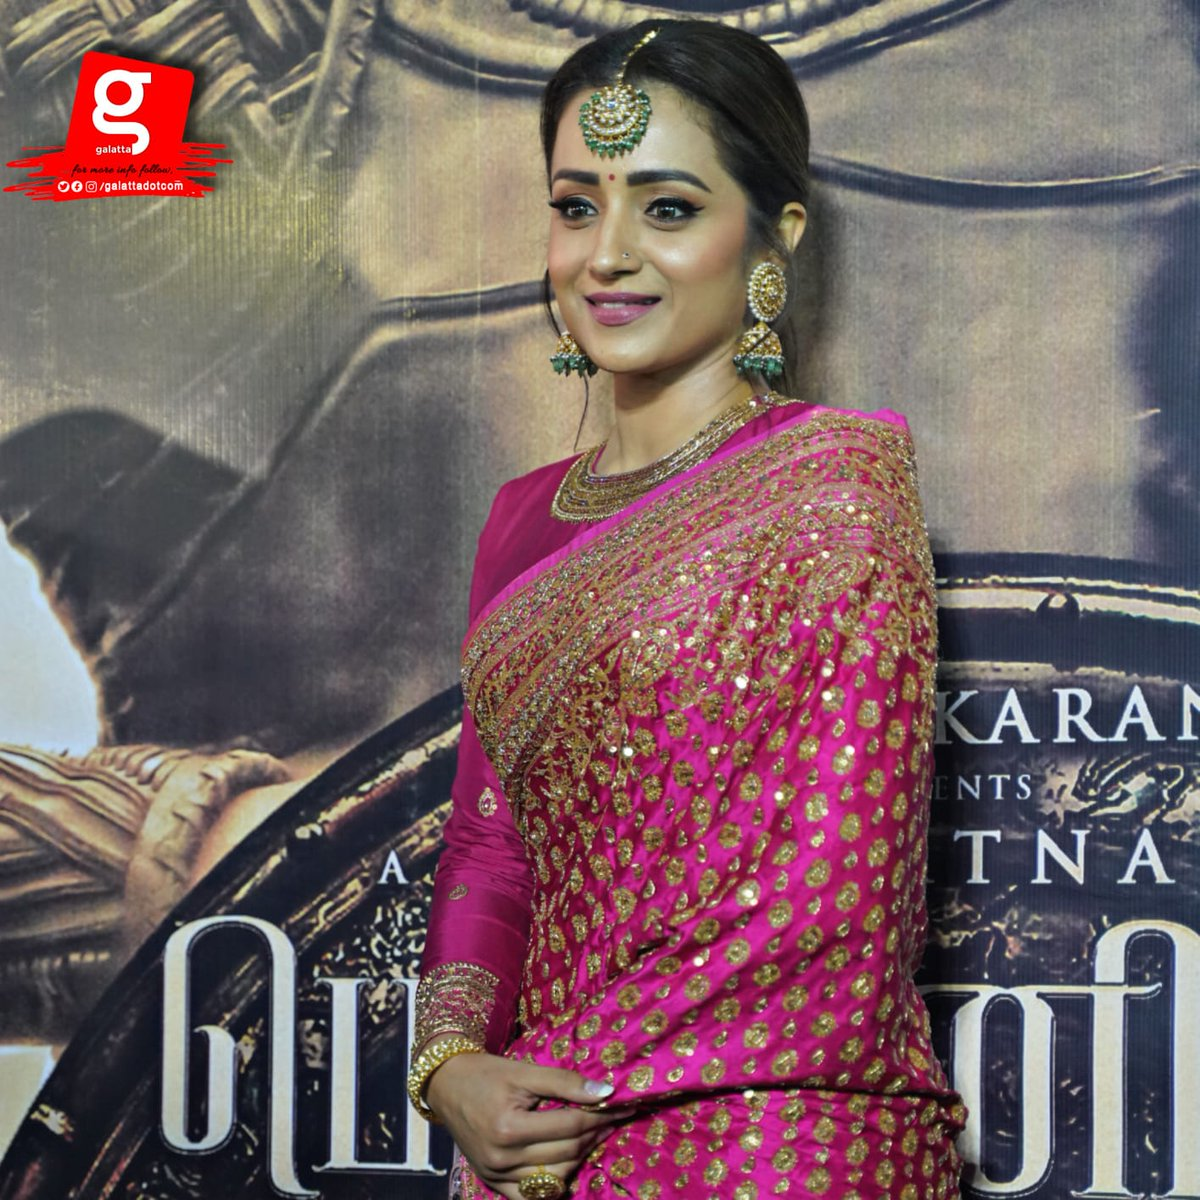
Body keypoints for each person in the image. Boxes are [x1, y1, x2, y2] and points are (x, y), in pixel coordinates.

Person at [406, 18, 967, 1200]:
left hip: (780, 1147)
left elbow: (833, 904)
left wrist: (569, 1077)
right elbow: (491, 843)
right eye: (576, 207)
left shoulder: (834, 490)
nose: (606, 255)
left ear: (775, 236)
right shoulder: (518, 519)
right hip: (531, 1153)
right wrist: (451, 1064)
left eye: (667, 208)